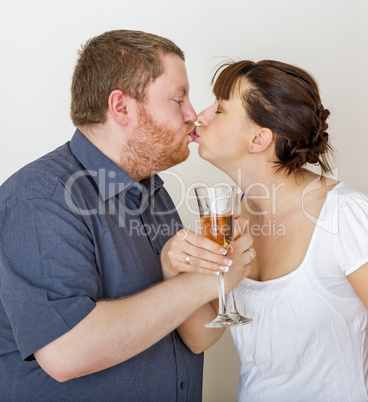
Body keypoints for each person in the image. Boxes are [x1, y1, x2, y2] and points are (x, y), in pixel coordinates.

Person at [0, 30, 253, 401]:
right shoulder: (41, 198)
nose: (191, 115)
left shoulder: (154, 191)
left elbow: (192, 334)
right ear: (121, 107)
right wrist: (206, 284)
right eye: (177, 99)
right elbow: (65, 351)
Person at [173, 60, 368, 401]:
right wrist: (172, 268)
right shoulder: (226, 219)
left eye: (220, 109)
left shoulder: (346, 216)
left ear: (259, 138)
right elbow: (198, 338)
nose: (199, 117)